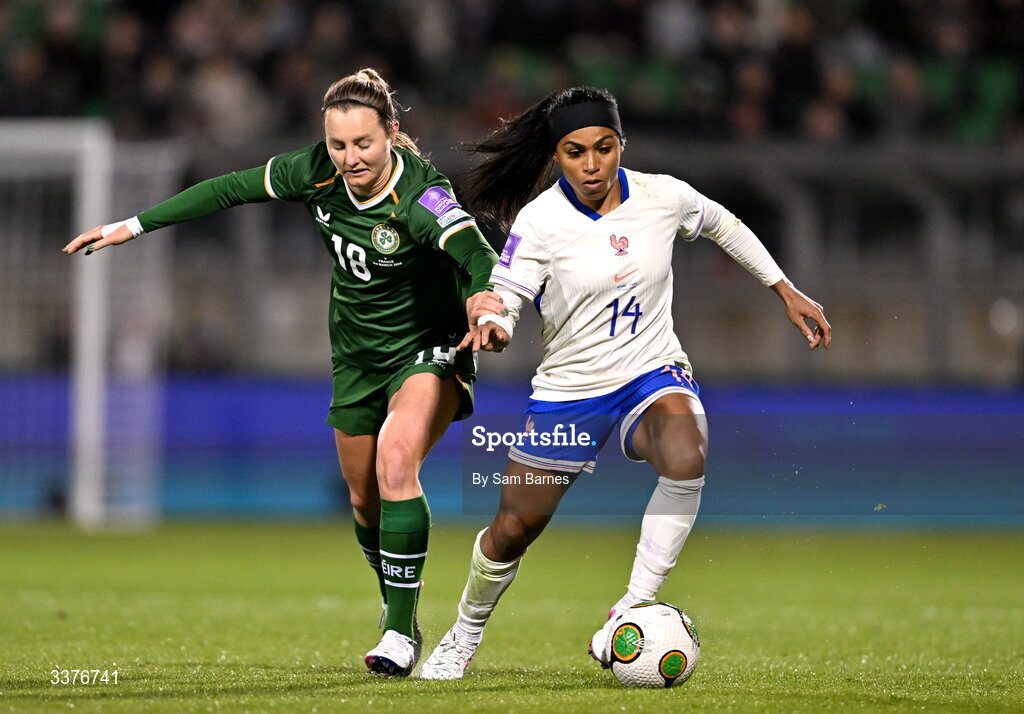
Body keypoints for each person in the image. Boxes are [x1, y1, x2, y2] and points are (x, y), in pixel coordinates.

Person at [63, 68, 502, 678]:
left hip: (428, 347)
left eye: (364, 144)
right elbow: (226, 190)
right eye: (340, 145)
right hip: (355, 358)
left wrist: (486, 302)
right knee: (363, 498)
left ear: (393, 135)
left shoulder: (423, 198)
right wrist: (131, 226)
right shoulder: (314, 169)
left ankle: (399, 633)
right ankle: (396, 603)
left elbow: (476, 252)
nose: (350, 159)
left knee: (397, 460)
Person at [421, 86, 831, 679]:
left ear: (621, 146)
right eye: (574, 152)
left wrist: (784, 289)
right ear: (555, 156)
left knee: (686, 452)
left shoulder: (664, 197)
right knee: (512, 530)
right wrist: (493, 323)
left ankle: (632, 606)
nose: (592, 165)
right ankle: (463, 634)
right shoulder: (540, 221)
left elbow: (725, 224)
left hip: (651, 372)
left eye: (604, 148)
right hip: (569, 391)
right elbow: (507, 298)